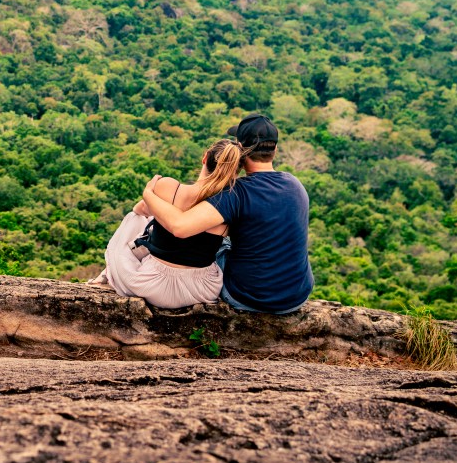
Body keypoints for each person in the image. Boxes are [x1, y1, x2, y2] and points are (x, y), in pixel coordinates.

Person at [141, 113, 313, 314]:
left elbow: (180, 226)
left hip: (248, 298)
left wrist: (148, 195)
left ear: (240, 149)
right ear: (274, 148)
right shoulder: (295, 185)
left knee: (214, 241)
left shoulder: (235, 193)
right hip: (296, 296)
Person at [88, 139, 243, 309]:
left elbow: (140, 210)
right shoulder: (232, 204)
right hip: (201, 290)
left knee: (137, 218)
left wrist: (150, 195)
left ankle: (108, 273)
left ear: (205, 157)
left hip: (152, 285)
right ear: (235, 171)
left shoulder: (169, 187)